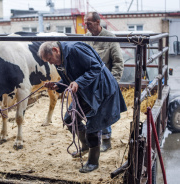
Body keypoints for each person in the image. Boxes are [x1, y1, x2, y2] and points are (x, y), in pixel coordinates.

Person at [38, 41, 127, 173]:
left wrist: (78, 82)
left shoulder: (75, 50)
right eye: (48, 61)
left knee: (93, 126)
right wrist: (59, 85)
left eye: (50, 59)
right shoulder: (60, 60)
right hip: (86, 91)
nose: (50, 63)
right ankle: (85, 145)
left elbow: (96, 67)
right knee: (69, 119)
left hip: (100, 90)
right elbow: (70, 77)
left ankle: (93, 162)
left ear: (56, 50)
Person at [84, 12, 124, 152]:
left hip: (104, 82)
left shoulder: (109, 38)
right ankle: (92, 139)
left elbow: (118, 62)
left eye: (89, 23)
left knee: (103, 110)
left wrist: (113, 81)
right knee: (90, 110)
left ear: (97, 22)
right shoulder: (86, 38)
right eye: (85, 23)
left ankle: (106, 140)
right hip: (88, 81)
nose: (86, 26)